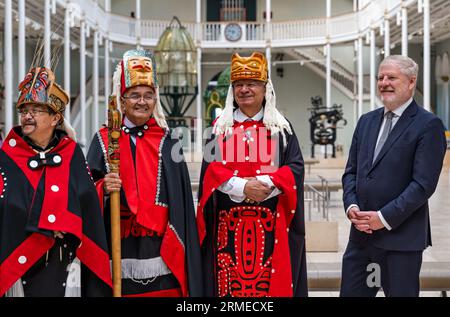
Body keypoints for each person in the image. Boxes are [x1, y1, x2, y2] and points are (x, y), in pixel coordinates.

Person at [87, 49, 202, 297]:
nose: (142, 101)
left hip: (162, 250)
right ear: (122, 99)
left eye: (148, 95)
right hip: (118, 247)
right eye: (135, 95)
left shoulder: (169, 141)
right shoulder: (103, 139)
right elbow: (84, 194)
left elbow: (181, 203)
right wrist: (103, 189)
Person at [197, 52, 308, 297]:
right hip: (227, 234)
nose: (244, 89)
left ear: (265, 88)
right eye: (239, 85)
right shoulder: (218, 129)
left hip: (272, 230)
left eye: (252, 83)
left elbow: (295, 168)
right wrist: (241, 187)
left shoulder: (282, 128)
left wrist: (266, 183)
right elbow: (210, 171)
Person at [0, 66, 112, 297]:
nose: (27, 116)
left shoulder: (71, 153)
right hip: (19, 260)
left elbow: (86, 199)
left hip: (64, 260)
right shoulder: (8, 154)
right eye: (24, 110)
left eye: (37, 110)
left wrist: (66, 219)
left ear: (55, 118)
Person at [341, 55, 447, 297]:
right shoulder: (366, 122)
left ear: (411, 82)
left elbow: (423, 185)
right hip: (361, 239)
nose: (384, 82)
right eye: (380, 77)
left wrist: (383, 217)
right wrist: (352, 206)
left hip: (401, 240)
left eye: (391, 77)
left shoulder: (428, 125)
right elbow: (351, 172)